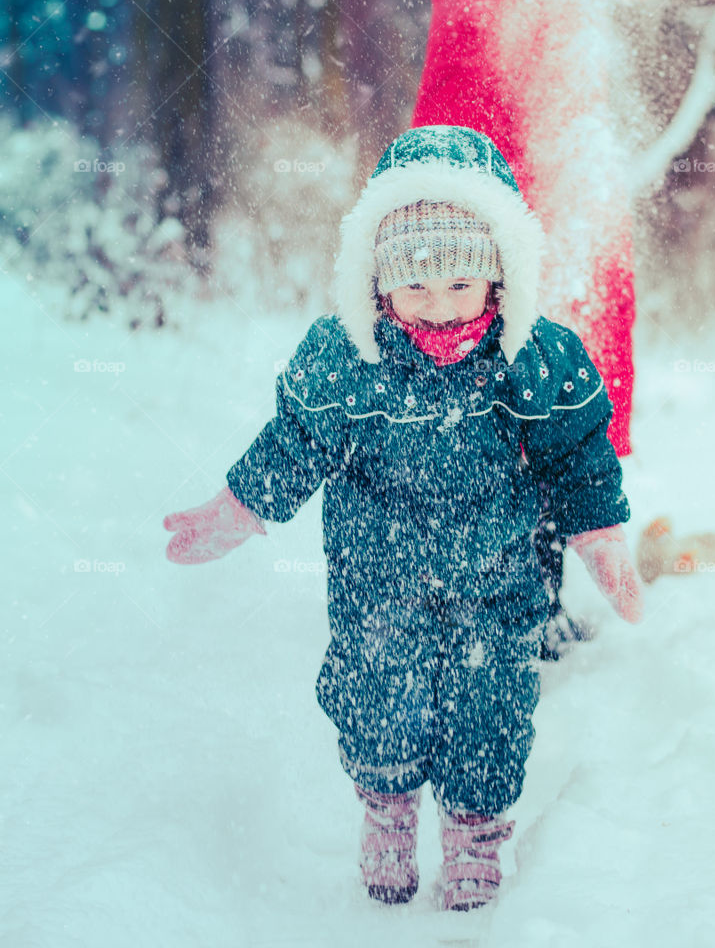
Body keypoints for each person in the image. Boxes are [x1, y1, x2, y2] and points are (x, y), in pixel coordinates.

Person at [163, 124, 644, 912]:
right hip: (377, 575)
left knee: (492, 706)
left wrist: (598, 534)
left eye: (462, 287)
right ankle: (386, 811)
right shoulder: (348, 359)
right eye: (415, 288)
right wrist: (243, 504)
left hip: (497, 575)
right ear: (377, 285)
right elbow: (298, 441)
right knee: (377, 698)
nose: (440, 311)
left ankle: (475, 830)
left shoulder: (532, 357)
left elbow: (576, 454)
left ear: (498, 280)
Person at [387, 0, 703, 641]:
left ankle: (544, 590)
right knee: (460, 375)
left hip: (568, 191)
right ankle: (465, 584)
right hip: (463, 187)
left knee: (569, 375)